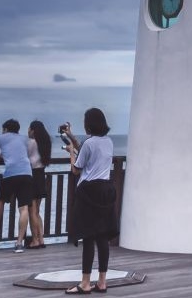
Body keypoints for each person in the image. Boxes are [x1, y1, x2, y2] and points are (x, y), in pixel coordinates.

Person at [62, 108, 117, 295]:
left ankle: (85, 283)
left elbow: (76, 169)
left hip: (88, 192)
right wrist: (71, 137)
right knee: (102, 237)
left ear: (89, 124)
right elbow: (89, 151)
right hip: (105, 191)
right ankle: (102, 282)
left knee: (88, 237)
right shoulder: (108, 142)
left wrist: (71, 152)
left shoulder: (89, 143)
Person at [0, 118, 34, 253]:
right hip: (26, 173)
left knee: (1, 200)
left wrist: (0, 157)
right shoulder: (24, 139)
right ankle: (19, 243)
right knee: (23, 208)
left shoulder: (1, 138)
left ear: (5, 129)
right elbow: (22, 154)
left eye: (3, 129)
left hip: (11, 173)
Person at [26, 120, 53, 249]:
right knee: (36, 211)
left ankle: (35, 240)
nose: (27, 131)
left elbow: (24, 156)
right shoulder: (45, 143)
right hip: (41, 175)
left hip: (32, 175)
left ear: (33, 130)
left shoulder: (31, 142)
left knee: (32, 211)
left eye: (29, 128)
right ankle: (41, 239)